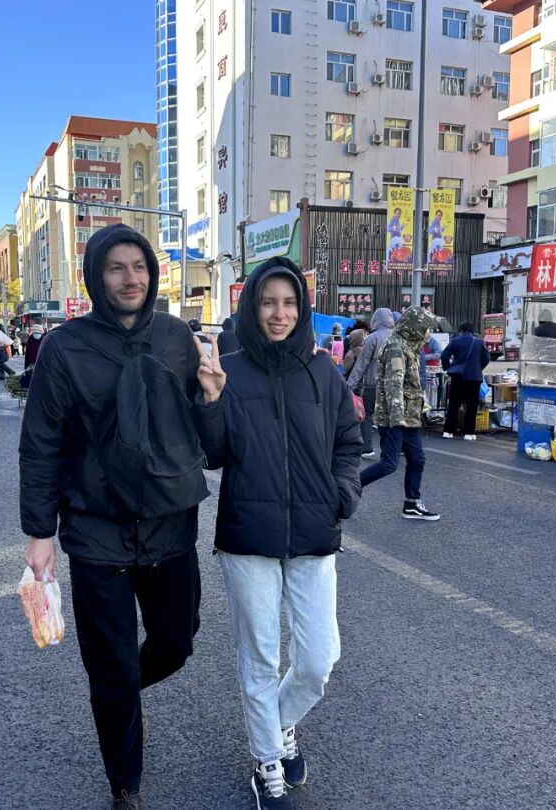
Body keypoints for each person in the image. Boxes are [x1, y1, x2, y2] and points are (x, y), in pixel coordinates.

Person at [19, 223, 224, 809]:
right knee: (108, 667)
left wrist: (213, 398)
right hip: (96, 531)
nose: (130, 279)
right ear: (96, 276)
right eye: (116, 268)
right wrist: (39, 533)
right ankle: (124, 784)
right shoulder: (65, 347)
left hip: (169, 526)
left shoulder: (177, 338)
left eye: (139, 267)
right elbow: (41, 444)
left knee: (176, 643)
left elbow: (209, 447)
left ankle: (122, 697)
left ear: (152, 274)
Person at [203, 256, 360, 809]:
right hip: (248, 534)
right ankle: (268, 759)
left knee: (319, 660)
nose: (279, 313)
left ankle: (278, 723)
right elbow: (212, 454)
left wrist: (343, 494)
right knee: (261, 658)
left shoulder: (322, 371)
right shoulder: (229, 369)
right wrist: (212, 400)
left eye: (289, 302)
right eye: (268, 302)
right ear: (252, 306)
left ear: (302, 308)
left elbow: (348, 442)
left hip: (315, 531)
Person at [361, 306, 440, 521]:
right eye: (425, 328)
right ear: (414, 326)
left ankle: (412, 504)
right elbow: (393, 384)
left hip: (409, 417)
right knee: (389, 464)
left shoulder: (409, 345)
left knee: (417, 459)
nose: (427, 333)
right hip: (396, 418)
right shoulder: (396, 347)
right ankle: (347, 488)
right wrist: (397, 419)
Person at [346, 308, 395, 459]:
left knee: (367, 415)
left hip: (372, 384)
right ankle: (391, 449)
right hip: (394, 385)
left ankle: (367, 448)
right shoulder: (398, 338)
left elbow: (361, 364)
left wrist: (349, 386)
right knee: (389, 417)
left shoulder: (372, 338)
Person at [441, 322, 490, 440]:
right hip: (474, 377)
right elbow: (486, 358)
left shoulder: (455, 341)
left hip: (458, 376)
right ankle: (469, 433)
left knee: (454, 403)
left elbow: (444, 356)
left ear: (461, 331)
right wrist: (478, 368)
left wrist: (448, 368)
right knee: (472, 405)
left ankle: (448, 431)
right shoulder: (479, 342)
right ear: (473, 331)